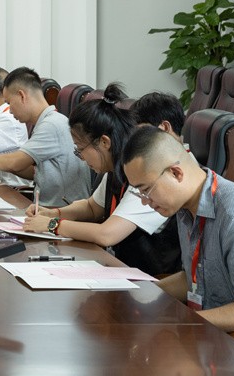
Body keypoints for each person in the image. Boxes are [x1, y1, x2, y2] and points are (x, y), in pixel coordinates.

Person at [22, 83, 181, 276]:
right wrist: (52, 213)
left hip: (147, 277)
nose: (81, 157)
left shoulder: (146, 173)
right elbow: (92, 208)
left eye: (80, 150)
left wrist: (53, 225)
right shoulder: (116, 167)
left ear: (104, 142)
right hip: (116, 269)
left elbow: (107, 234)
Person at [122, 126, 234, 333]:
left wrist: (181, 322)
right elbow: (194, 278)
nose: (144, 202)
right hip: (205, 333)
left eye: (146, 190)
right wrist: (138, 295)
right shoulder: (183, 209)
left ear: (176, 173)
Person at [0, 66, 93, 204]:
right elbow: (34, 172)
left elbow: (15, 163)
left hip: (61, 211)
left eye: (9, 103)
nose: (10, 110)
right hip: (46, 207)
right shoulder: (47, 121)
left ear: (22, 96)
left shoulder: (51, 125)